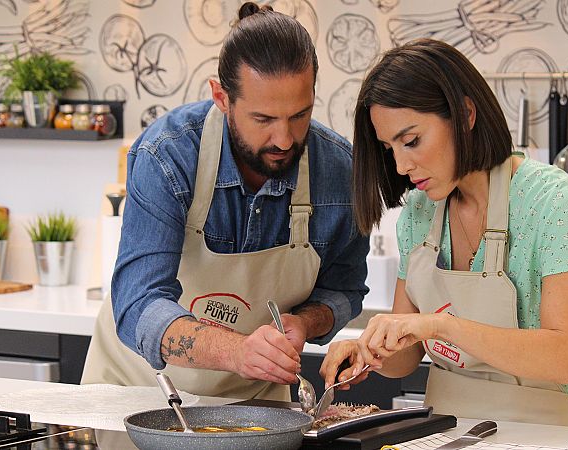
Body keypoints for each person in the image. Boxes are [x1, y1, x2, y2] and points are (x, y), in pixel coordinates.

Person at [82, 3, 369, 402]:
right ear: (222, 96)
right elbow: (139, 302)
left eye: (299, 115)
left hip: (255, 408)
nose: (285, 139)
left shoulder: (340, 173)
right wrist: (236, 350)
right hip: (141, 392)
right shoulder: (167, 156)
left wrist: (305, 322)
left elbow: (344, 288)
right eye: (263, 119)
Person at [320, 39, 568, 425]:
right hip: (441, 431)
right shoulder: (419, 214)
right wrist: (369, 351)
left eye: (411, 141)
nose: (402, 165)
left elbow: (564, 359)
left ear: (465, 113)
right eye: (390, 149)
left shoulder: (551, 201)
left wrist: (440, 325)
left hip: (534, 435)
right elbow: (407, 358)